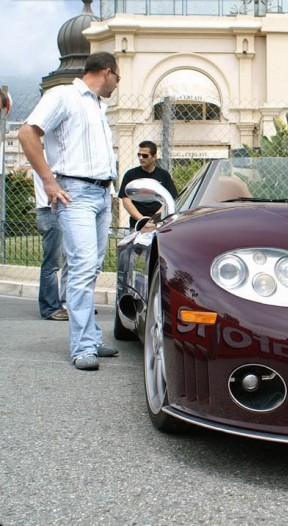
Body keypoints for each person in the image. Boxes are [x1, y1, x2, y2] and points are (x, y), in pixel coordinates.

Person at [19, 52, 121, 371]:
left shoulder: (96, 106)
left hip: (102, 194)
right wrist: (49, 181)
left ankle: (89, 336)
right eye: (118, 78)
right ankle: (82, 347)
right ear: (107, 72)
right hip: (75, 192)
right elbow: (27, 133)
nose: (118, 85)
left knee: (91, 268)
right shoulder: (63, 95)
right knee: (82, 266)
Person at [33, 167, 69, 321]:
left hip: (50, 212)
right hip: (50, 212)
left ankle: (59, 305)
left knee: (57, 261)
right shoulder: (49, 158)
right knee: (51, 264)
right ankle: (50, 309)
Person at [118, 141, 178, 228]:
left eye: (145, 155)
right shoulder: (131, 174)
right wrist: (142, 220)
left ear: (154, 157)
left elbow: (170, 199)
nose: (141, 158)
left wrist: (154, 219)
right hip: (137, 223)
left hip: (160, 222)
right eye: (139, 155)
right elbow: (126, 200)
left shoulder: (163, 174)